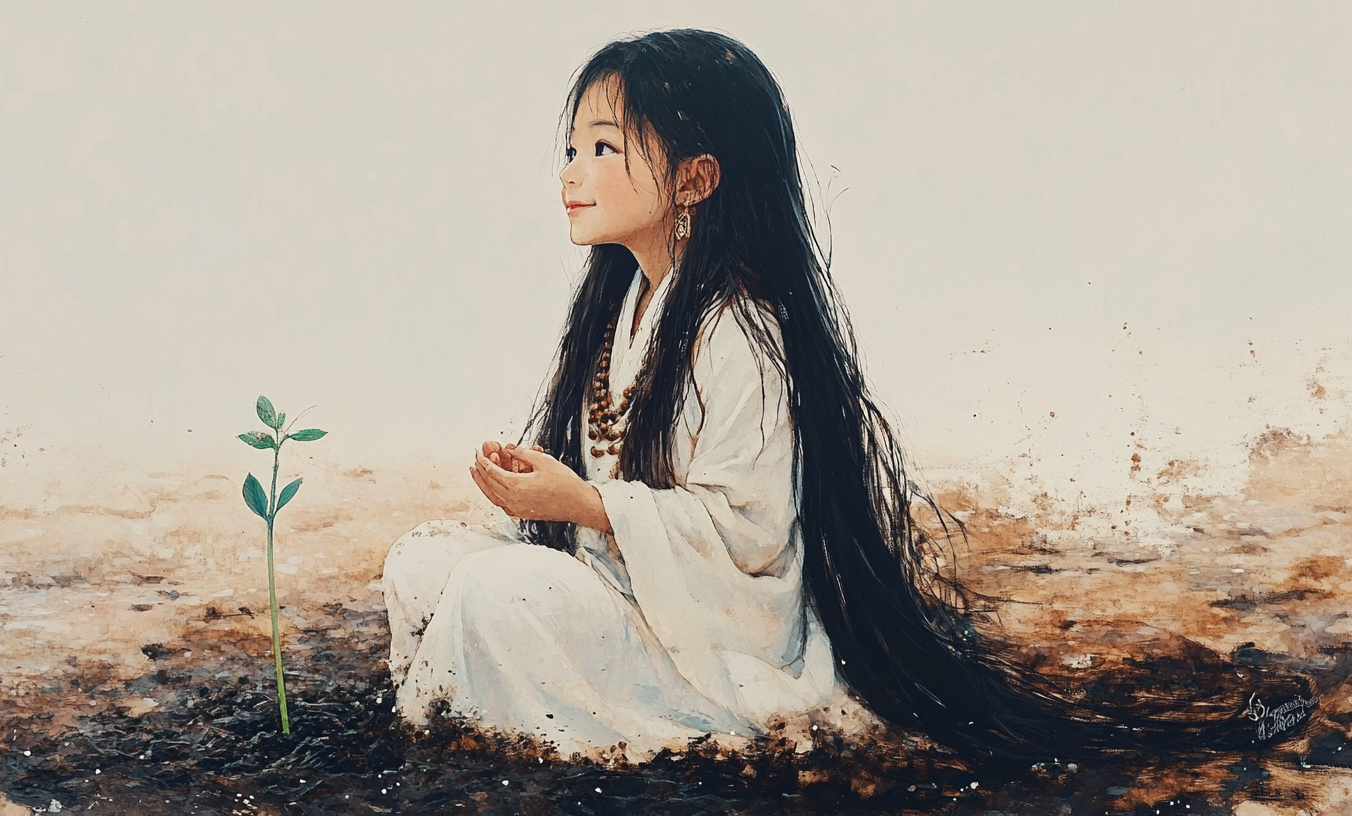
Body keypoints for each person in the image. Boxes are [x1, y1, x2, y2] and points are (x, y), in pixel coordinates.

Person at [382, 29, 1314, 766]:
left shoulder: (739, 330)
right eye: (572, 148)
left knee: (495, 601)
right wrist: (552, 500)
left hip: (717, 639)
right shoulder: (626, 302)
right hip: (627, 587)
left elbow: (748, 538)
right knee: (425, 561)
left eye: (602, 149)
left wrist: (579, 505)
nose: (570, 173)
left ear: (696, 181)